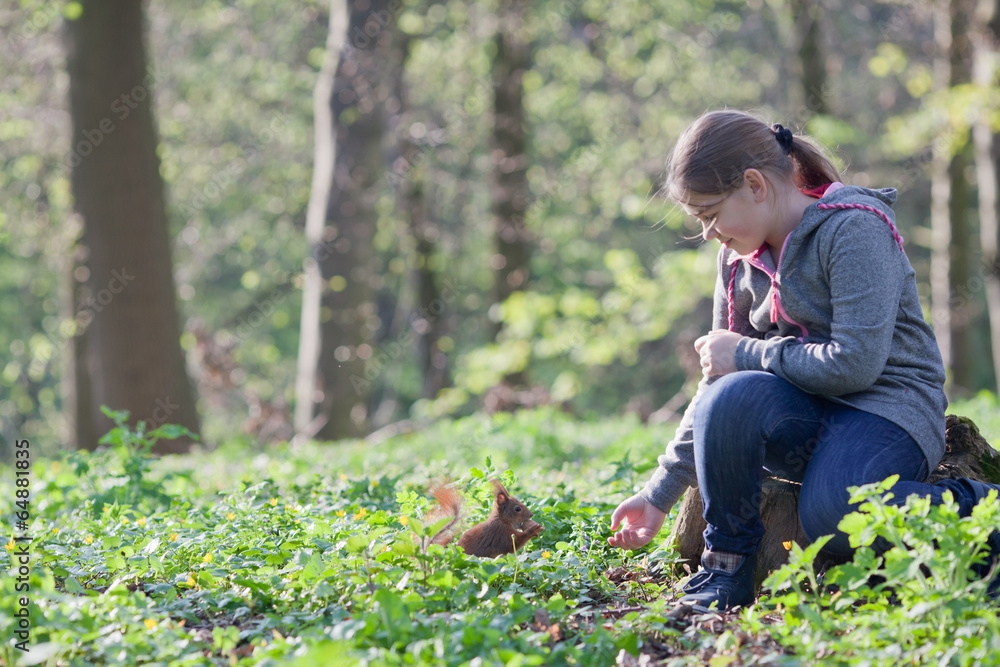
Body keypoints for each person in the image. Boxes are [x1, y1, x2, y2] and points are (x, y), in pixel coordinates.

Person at [607, 109, 1000, 612]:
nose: (707, 233)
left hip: (885, 406)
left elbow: (855, 364)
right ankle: (725, 567)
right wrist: (658, 494)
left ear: (754, 184)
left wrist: (747, 352)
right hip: (807, 412)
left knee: (835, 513)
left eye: (710, 214)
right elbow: (718, 384)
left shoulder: (853, 229)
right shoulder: (737, 259)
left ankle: (983, 513)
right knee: (729, 394)